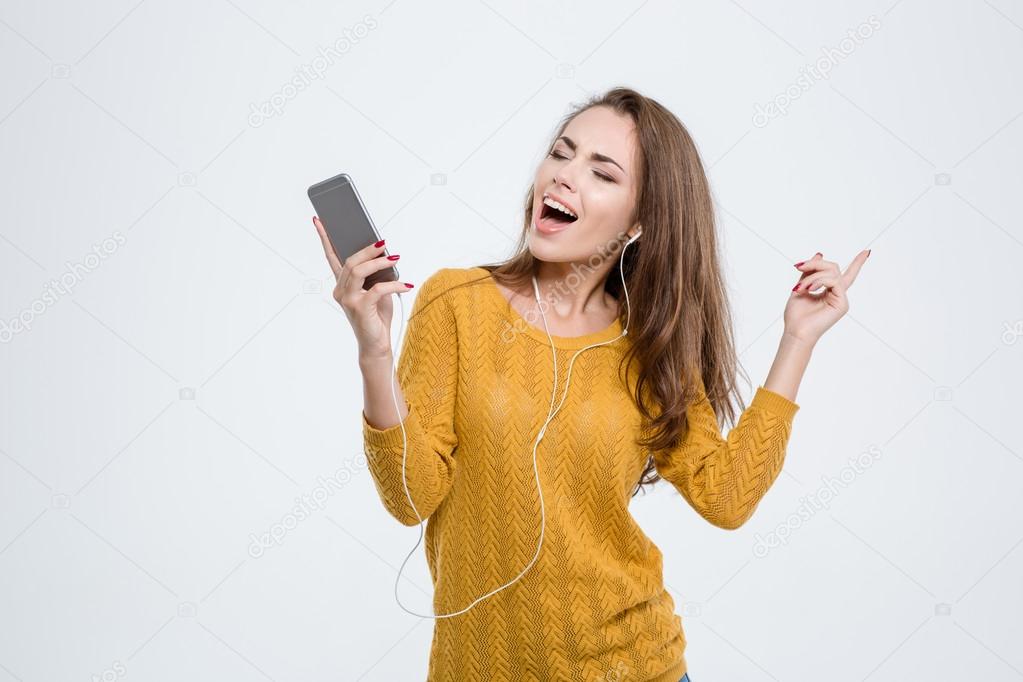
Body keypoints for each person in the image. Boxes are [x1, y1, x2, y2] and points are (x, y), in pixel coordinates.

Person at [315, 86, 869, 681]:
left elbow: (726, 497)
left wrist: (799, 339)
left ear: (639, 222)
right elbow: (410, 497)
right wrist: (374, 351)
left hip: (633, 666)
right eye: (561, 153)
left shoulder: (650, 348)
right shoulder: (456, 302)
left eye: (601, 173)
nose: (563, 178)